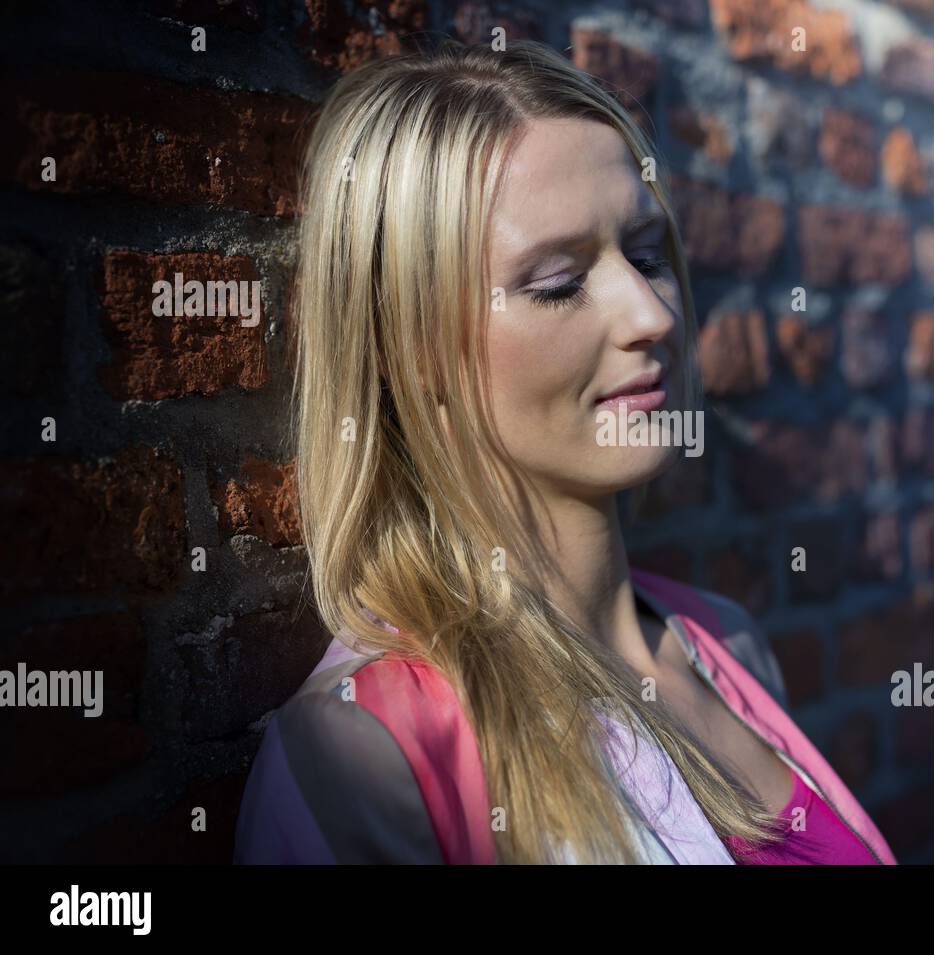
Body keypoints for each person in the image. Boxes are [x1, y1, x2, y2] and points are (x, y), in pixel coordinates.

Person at [233, 37, 896, 865]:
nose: (650, 315)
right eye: (559, 282)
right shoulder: (365, 753)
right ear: (411, 348)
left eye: (646, 255)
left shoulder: (726, 644)